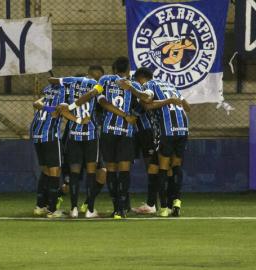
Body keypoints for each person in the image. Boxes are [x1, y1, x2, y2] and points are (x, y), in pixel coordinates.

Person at [70, 57, 153, 218]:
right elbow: (147, 99)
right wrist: (130, 97)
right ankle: (121, 210)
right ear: (128, 70)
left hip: (108, 132)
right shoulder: (134, 84)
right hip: (125, 133)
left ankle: (116, 207)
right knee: (124, 171)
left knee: (111, 170)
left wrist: (73, 105)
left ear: (114, 69)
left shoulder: (105, 80)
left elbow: (100, 100)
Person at [48, 66, 105, 218]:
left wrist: (68, 103)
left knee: (75, 173)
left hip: (73, 135)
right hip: (91, 135)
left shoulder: (71, 82)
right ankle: (90, 210)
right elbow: (91, 96)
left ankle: (73, 209)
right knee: (91, 173)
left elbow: (51, 80)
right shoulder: (98, 85)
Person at [134, 67, 191, 217]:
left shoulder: (148, 86)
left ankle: (164, 207)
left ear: (141, 78)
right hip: (183, 128)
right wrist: (173, 100)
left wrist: (166, 102)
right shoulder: (171, 86)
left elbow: (146, 101)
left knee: (163, 167)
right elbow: (187, 107)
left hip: (167, 129)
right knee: (175, 166)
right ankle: (176, 202)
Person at [31, 83, 67, 218]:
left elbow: (36, 103)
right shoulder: (60, 99)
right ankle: (52, 209)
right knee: (54, 172)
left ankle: (40, 206)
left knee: (46, 171)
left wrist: (41, 104)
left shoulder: (43, 99)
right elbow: (56, 111)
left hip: (37, 137)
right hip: (50, 136)